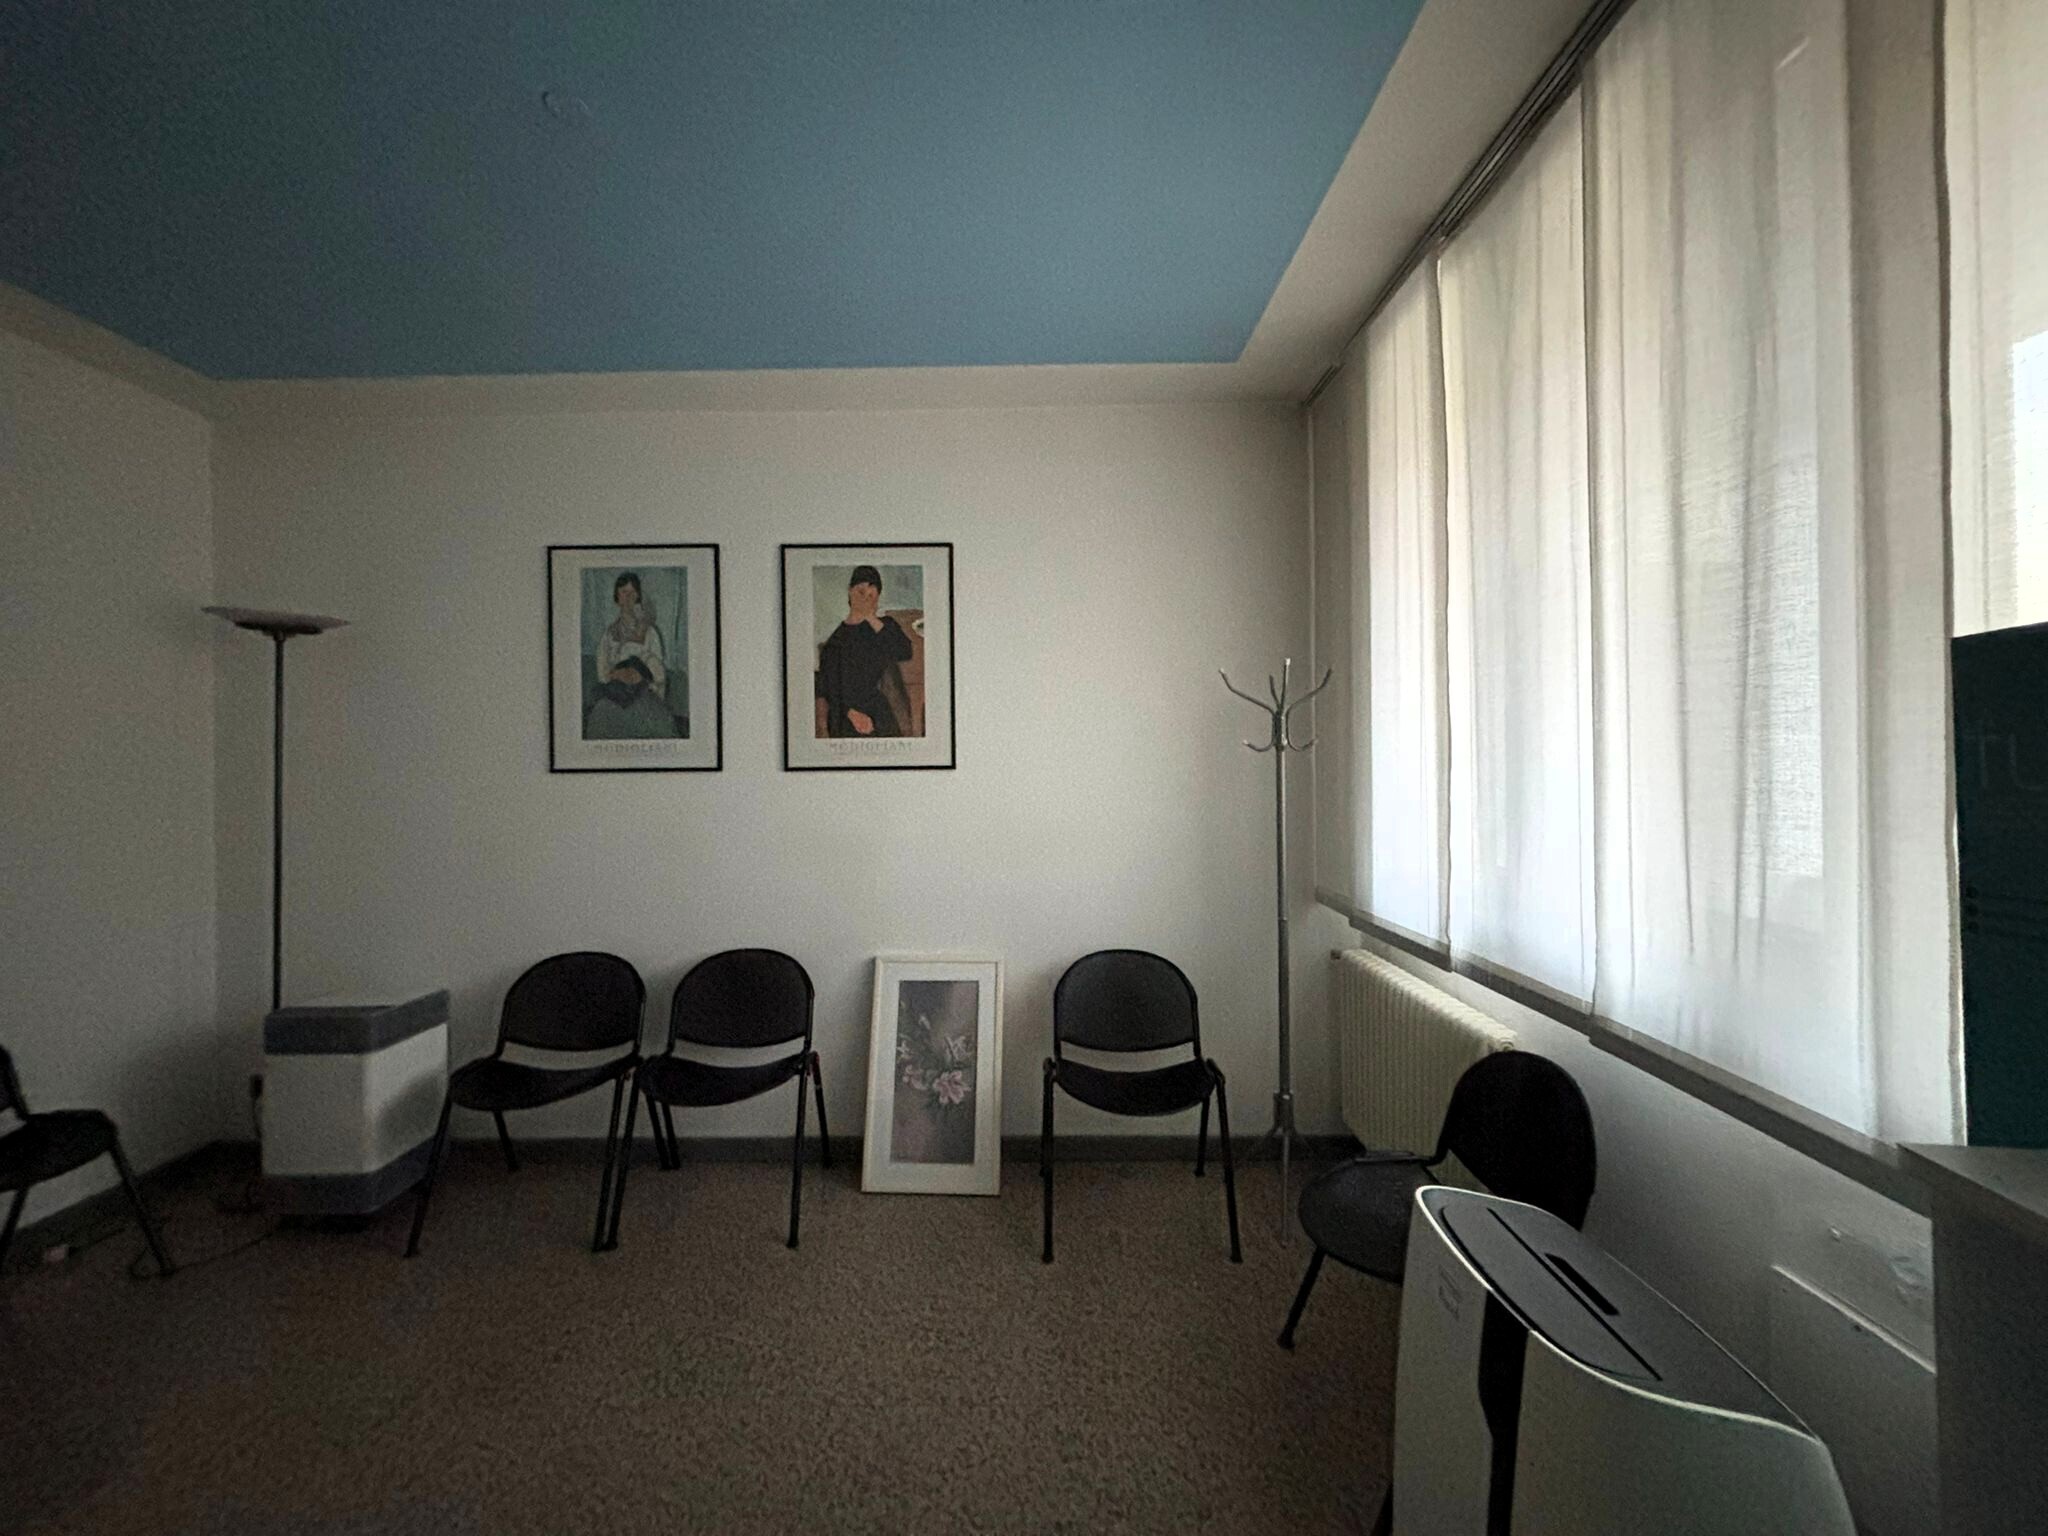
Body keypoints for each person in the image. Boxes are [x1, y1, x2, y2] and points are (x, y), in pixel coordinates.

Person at [815, 564, 914, 738]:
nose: (865, 600)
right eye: (861, 592)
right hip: (845, 711)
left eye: (871, 596)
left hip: (876, 706)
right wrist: (852, 713)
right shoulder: (836, 642)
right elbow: (828, 687)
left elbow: (905, 651)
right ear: (850, 592)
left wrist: (870, 617)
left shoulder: (884, 626)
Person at [586, 571, 681, 737]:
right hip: (615, 693)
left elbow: (658, 671)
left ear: (638, 596)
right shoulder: (609, 634)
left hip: (645, 692)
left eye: (632, 593)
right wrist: (617, 676)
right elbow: (602, 673)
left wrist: (641, 678)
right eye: (624, 592)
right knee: (602, 714)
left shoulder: (650, 632)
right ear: (617, 597)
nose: (628, 598)